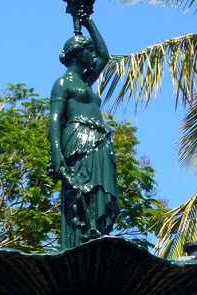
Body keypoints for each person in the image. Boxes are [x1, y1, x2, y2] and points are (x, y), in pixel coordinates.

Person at [48, 16, 119, 249]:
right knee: (80, 194)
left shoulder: (86, 82)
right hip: (77, 140)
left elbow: (105, 55)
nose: (93, 56)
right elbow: (55, 120)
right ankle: (79, 243)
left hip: (99, 141)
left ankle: (98, 235)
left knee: (101, 194)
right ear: (79, 54)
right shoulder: (62, 84)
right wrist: (57, 156)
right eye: (88, 51)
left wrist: (88, 22)